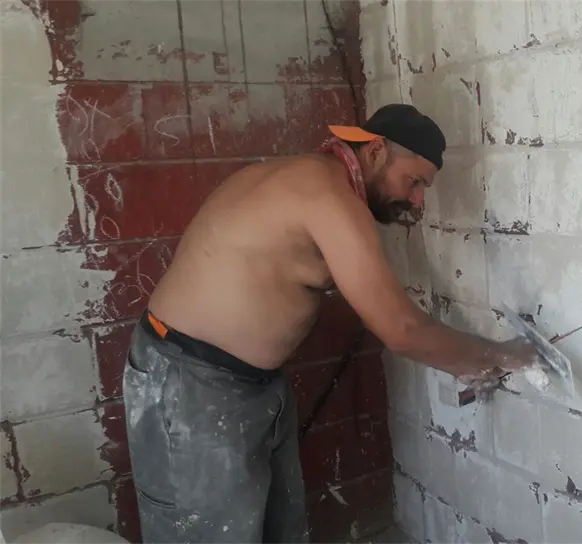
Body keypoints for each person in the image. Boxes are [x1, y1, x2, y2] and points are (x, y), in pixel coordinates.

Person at [122, 103, 537, 544]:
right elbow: (402, 331)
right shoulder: (327, 197)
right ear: (376, 151)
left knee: (274, 530)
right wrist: (506, 355)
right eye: (414, 181)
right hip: (190, 387)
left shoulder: (314, 179)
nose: (417, 199)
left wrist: (463, 358)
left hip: (247, 384)